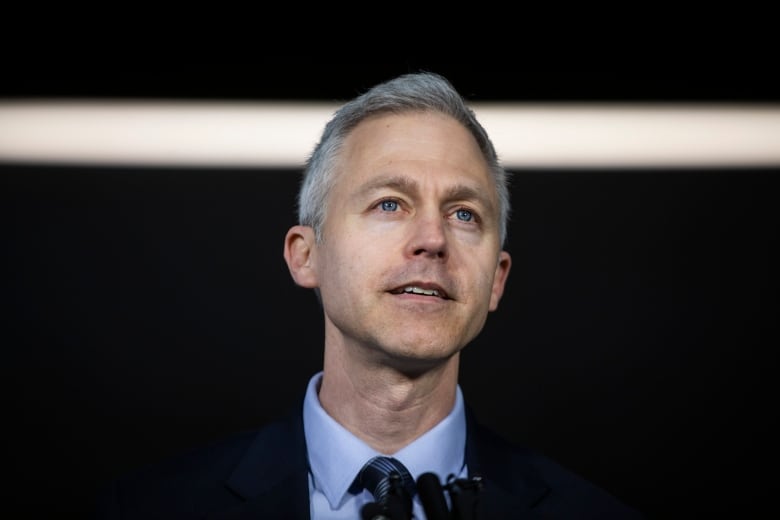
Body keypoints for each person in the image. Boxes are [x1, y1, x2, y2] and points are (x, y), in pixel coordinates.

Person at [95, 71, 642, 519]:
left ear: (496, 278)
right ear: (305, 255)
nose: (432, 239)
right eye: (389, 204)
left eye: (464, 214)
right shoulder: (151, 510)